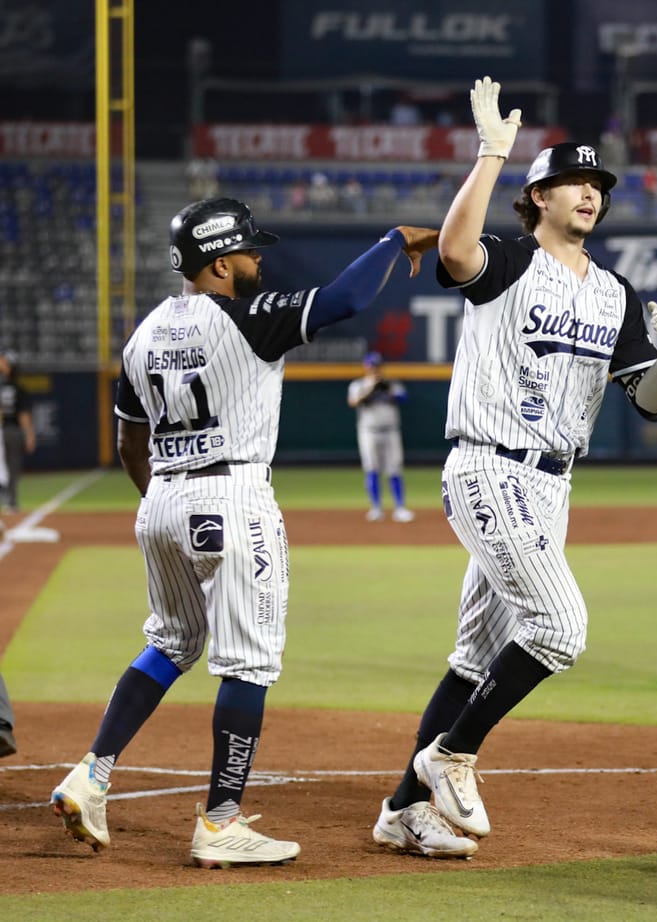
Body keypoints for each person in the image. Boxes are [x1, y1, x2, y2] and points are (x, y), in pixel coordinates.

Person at [50, 196, 441, 867]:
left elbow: (127, 442)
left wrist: (168, 506)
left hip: (163, 500)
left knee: (171, 642)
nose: (260, 258)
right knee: (249, 662)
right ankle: (221, 822)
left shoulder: (143, 334)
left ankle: (91, 774)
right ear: (221, 260)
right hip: (231, 494)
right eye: (250, 249)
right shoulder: (249, 318)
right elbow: (345, 299)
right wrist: (394, 240)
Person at [370, 76, 657, 859]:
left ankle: (401, 810)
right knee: (561, 626)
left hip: (552, 484)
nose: (591, 193)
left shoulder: (616, 295)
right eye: (574, 182)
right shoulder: (509, 261)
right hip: (487, 465)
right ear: (538, 196)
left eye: (598, 185)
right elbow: (452, 250)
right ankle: (450, 755)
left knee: (473, 657)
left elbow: (652, 407)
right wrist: (490, 155)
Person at [348, 351, 414, 522]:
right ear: (366, 367)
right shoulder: (359, 385)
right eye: (372, 366)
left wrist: (389, 391)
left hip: (391, 431)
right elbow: (353, 402)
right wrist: (370, 390)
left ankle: (400, 508)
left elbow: (404, 398)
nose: (375, 369)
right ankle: (376, 508)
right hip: (368, 432)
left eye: (377, 366)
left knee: (395, 468)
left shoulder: (391, 384)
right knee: (372, 469)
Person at [0, 351, 36, 512]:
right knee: (12, 467)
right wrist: (29, 435)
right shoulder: (19, 389)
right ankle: (11, 502)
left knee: (4, 468)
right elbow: (24, 416)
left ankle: (8, 499)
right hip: (13, 431)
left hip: (3, 430)